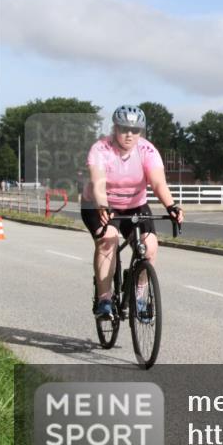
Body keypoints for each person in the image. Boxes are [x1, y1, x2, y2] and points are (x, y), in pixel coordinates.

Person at [81, 105, 184, 320]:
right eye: (124, 129)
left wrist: (171, 206)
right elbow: (98, 183)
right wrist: (102, 204)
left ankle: (138, 295)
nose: (129, 134)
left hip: (135, 205)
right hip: (99, 204)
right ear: (115, 128)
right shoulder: (101, 149)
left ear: (141, 132)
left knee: (150, 246)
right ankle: (104, 299)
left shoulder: (147, 151)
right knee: (108, 239)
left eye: (135, 130)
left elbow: (157, 182)